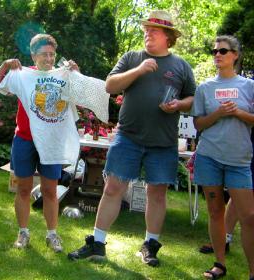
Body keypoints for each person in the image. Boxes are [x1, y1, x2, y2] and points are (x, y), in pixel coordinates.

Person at [68, 10, 196, 267]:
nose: (148, 33)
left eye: (154, 30)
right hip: (128, 137)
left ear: (168, 37)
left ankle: (149, 245)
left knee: (157, 194)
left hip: (163, 142)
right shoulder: (132, 58)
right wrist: (138, 70)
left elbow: (193, 100)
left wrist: (178, 104)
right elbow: (110, 86)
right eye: (146, 29)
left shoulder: (181, 66)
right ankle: (98, 244)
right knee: (114, 187)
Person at [0, 34, 80, 252]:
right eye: (44, 54)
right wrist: (4, 65)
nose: (49, 58)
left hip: (51, 142)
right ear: (33, 55)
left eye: (52, 54)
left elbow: (82, 96)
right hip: (25, 139)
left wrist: (77, 75)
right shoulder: (22, 74)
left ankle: (52, 235)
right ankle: (23, 233)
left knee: (50, 190)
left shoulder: (63, 76)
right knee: (23, 188)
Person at [191, 35, 254, 279]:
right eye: (214, 51)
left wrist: (238, 112)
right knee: (215, 212)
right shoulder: (205, 88)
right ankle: (219, 264)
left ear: (235, 55)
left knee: (249, 217)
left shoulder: (249, 86)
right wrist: (218, 113)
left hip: (239, 160)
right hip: (209, 157)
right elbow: (199, 124)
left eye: (223, 51)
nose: (218, 55)